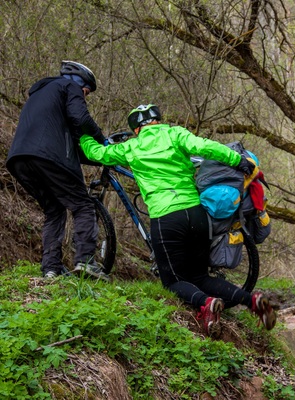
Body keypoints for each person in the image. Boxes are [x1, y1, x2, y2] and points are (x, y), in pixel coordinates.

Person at [79, 104, 277, 337]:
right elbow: (207, 147)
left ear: (135, 130)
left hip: (166, 217)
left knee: (172, 282)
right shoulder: (176, 134)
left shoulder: (131, 147)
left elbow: (97, 154)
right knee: (200, 276)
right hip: (196, 214)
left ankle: (206, 304)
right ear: (159, 121)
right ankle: (251, 300)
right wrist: (237, 160)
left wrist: (82, 134)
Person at [6, 61, 108, 280]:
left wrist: (99, 160)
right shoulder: (69, 86)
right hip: (49, 157)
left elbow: (69, 143)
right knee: (82, 204)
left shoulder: (39, 97)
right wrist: (103, 141)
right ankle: (85, 261)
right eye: (87, 92)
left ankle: (51, 268)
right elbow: (80, 118)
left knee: (54, 210)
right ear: (80, 82)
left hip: (19, 159)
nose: (85, 96)